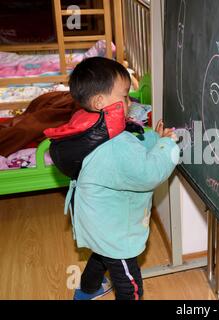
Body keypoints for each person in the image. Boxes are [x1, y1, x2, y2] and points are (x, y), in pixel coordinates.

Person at [44, 57, 179, 300]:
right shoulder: (115, 143)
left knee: (101, 254)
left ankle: (88, 290)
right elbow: (148, 173)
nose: (130, 102)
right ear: (99, 101)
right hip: (115, 228)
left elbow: (132, 148)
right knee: (129, 284)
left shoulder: (90, 123)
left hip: (96, 220)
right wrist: (168, 146)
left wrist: (155, 141)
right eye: (125, 96)